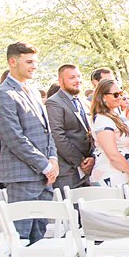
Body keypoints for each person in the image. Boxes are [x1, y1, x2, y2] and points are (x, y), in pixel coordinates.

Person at [0, 42, 60, 257]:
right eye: (28, 61)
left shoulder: (31, 91)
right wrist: (44, 165)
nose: (34, 66)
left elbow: (47, 131)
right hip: (22, 174)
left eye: (34, 61)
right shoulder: (3, 94)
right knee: (19, 230)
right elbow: (13, 138)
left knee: (38, 227)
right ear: (13, 61)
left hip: (44, 173)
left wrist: (52, 158)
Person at [46, 63, 96, 191]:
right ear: (61, 81)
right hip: (68, 170)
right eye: (72, 77)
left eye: (79, 77)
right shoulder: (54, 102)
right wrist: (80, 161)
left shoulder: (82, 102)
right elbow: (57, 136)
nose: (77, 80)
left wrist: (91, 157)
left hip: (88, 168)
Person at [89, 78, 129, 187]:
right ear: (103, 97)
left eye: (120, 93)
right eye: (116, 95)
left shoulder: (118, 114)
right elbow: (113, 155)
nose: (120, 97)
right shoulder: (102, 120)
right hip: (111, 176)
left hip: (128, 172)